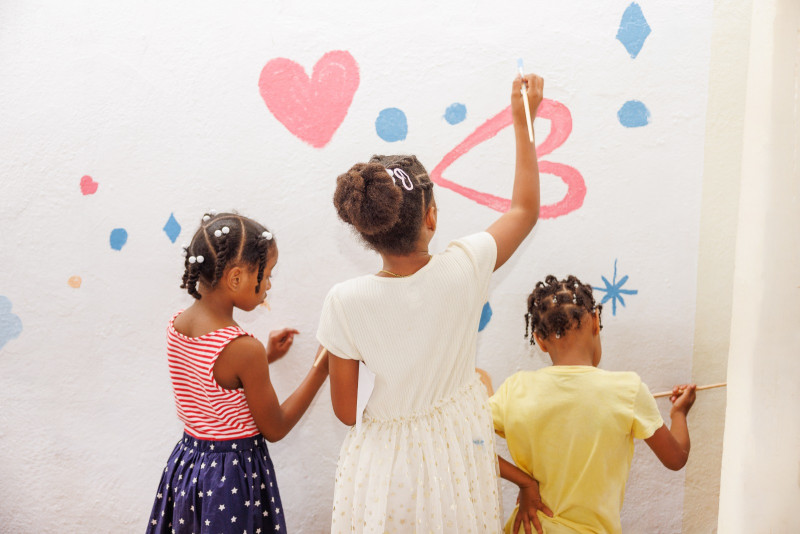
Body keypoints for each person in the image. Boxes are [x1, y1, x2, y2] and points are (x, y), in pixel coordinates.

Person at [316, 72, 544, 532]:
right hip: (458, 456)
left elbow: (345, 412)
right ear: (432, 217)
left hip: (384, 470)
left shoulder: (344, 301)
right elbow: (524, 210)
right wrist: (523, 121)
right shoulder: (466, 266)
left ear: (366, 232)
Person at [146, 211, 329, 534]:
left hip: (188, 468)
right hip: (230, 480)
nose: (269, 284)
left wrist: (266, 358)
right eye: (267, 274)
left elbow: (213, 385)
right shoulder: (243, 348)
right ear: (235, 278)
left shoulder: (177, 324)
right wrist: (321, 366)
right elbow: (276, 427)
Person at [490, 275, 696, 534]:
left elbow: (466, 438)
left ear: (540, 341)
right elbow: (676, 458)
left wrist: (525, 484)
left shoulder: (514, 389)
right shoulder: (627, 390)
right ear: (596, 322)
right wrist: (680, 414)